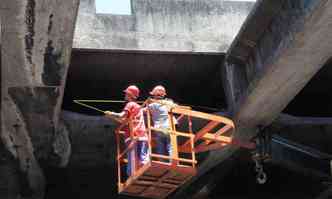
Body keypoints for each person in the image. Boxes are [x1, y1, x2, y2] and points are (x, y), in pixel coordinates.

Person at [105, 85, 149, 176]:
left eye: (127, 93)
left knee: (132, 162)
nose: (125, 95)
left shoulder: (130, 104)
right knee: (143, 159)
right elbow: (125, 121)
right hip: (142, 135)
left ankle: (133, 176)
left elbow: (122, 116)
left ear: (130, 95)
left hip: (132, 136)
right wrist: (111, 116)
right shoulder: (138, 107)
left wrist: (111, 113)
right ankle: (146, 173)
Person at [146, 85, 177, 162]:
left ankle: (162, 163)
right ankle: (173, 162)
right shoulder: (168, 102)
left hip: (158, 128)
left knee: (160, 147)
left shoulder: (151, 105)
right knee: (170, 145)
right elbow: (176, 107)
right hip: (168, 127)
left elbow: (142, 110)